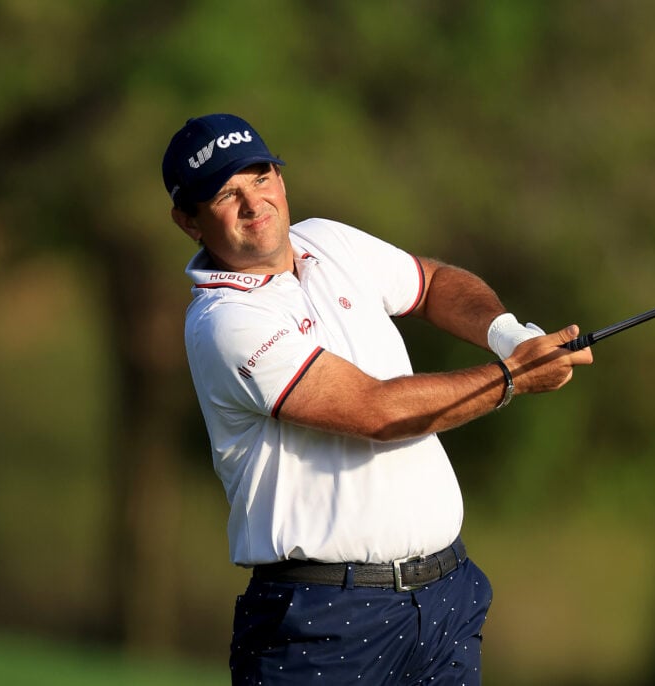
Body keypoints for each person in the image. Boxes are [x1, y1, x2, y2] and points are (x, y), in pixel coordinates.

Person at [161, 113, 593, 685]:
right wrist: (512, 376)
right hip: (325, 623)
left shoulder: (328, 242)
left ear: (281, 181)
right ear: (188, 221)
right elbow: (376, 411)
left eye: (260, 177)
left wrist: (513, 336)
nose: (254, 202)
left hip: (445, 602)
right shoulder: (224, 322)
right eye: (225, 193)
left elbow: (433, 282)